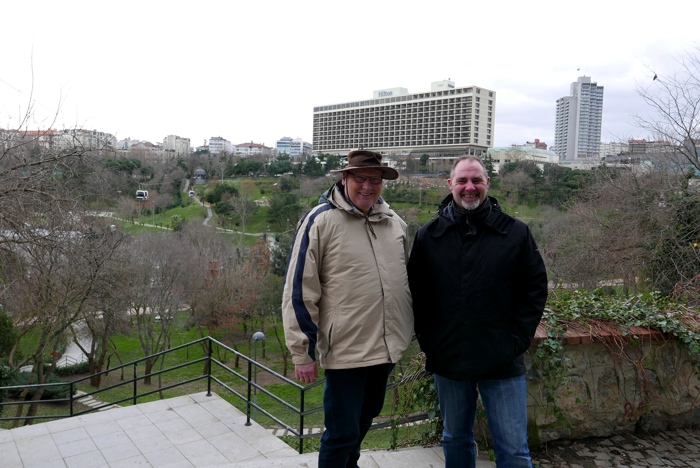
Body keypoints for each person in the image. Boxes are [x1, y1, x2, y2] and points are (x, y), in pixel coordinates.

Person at [407, 155, 548, 468]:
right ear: (450, 185)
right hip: (449, 359)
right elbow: (417, 294)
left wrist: (516, 341)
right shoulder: (429, 236)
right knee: (455, 439)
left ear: (488, 184)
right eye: (462, 181)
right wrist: (431, 342)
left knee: (513, 449)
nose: (469, 187)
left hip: (502, 359)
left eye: (476, 181)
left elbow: (535, 290)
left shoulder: (515, 233)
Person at [282, 150, 414, 468]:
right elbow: (299, 290)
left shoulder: (395, 224)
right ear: (344, 178)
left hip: (386, 348)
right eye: (360, 178)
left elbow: (407, 280)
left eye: (375, 179)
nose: (368, 186)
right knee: (340, 434)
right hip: (346, 351)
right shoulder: (320, 221)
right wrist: (303, 352)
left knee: (363, 422)